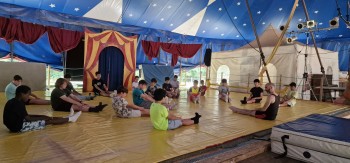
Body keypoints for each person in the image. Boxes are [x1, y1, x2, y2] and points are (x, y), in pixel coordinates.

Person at [3, 85, 81, 133]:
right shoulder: (19, 104)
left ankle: (67, 117)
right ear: (22, 94)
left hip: (13, 124)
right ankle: (71, 119)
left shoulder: (12, 101)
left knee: (44, 117)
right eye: (28, 94)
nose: (29, 96)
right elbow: (28, 119)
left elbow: (24, 115)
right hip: (18, 128)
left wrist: (42, 116)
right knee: (48, 121)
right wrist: (44, 118)